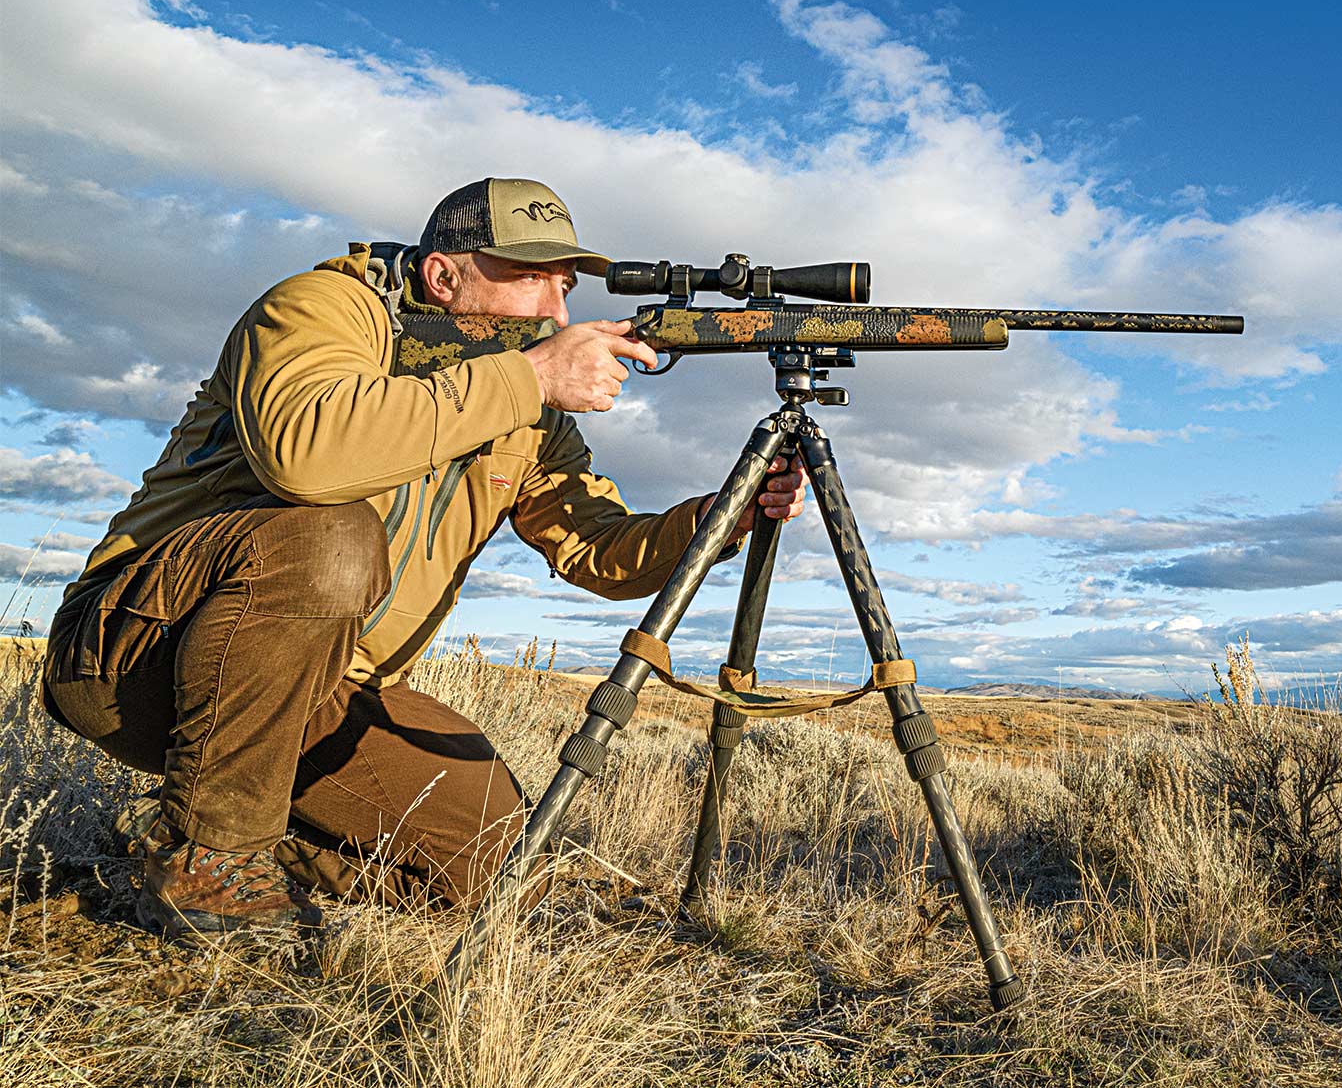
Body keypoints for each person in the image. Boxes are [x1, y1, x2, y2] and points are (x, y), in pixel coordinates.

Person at [41, 178, 806, 937]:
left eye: (565, 287)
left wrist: (716, 517)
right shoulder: (321, 309)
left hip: (326, 690)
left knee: (508, 863)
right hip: (133, 651)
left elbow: (596, 548)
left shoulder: (526, 415)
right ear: (444, 276)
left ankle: (229, 838)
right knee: (332, 537)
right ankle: (212, 859)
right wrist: (532, 375)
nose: (557, 311)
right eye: (532, 278)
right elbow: (305, 455)